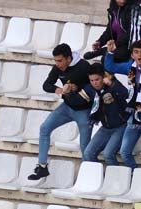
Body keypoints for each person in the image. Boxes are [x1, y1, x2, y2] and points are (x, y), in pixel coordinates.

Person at [27, 45, 94, 183]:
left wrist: (77, 88)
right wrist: (58, 90)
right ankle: (42, 166)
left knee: (85, 146)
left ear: (69, 59)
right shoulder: (57, 68)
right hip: (67, 107)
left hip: (83, 110)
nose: (57, 64)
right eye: (55, 61)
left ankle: (89, 175)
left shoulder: (83, 66)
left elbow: (95, 85)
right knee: (44, 128)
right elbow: (46, 85)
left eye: (60, 61)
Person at [105, 40, 141, 171]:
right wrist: (110, 52)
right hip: (135, 112)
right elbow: (110, 67)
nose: (139, 55)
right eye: (136, 52)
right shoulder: (130, 67)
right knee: (124, 152)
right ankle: (136, 178)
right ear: (132, 55)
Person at [83, 65, 131, 164]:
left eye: (97, 79)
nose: (94, 83)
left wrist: (111, 83)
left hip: (121, 126)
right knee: (88, 153)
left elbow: (125, 94)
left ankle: (114, 179)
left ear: (103, 77)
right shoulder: (90, 89)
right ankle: (97, 178)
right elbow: (78, 101)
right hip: (105, 128)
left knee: (108, 154)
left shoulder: (112, 84)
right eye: (91, 80)